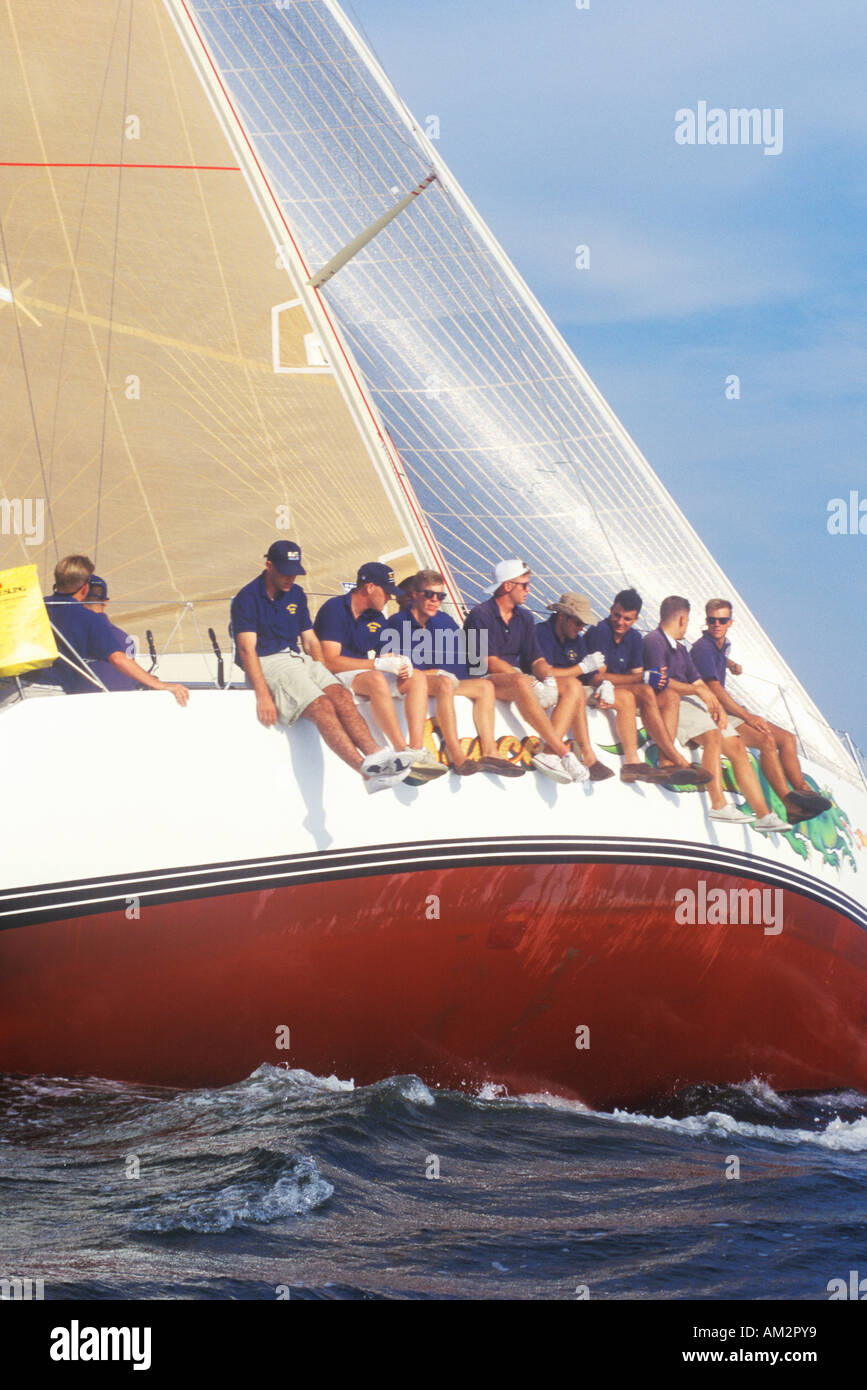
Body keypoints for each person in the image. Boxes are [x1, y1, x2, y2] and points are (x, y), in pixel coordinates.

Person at [231, 541, 412, 793]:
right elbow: (246, 649)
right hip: (267, 660)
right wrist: (263, 696)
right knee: (322, 707)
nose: (290, 577)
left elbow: (310, 640)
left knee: (339, 694)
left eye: (294, 571)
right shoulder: (247, 599)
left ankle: (376, 755)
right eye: (285, 571)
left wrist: (324, 675)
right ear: (269, 565)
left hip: (296, 657)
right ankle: (366, 773)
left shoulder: (295, 593)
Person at [643, 596, 789, 830]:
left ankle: (763, 815)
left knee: (737, 747)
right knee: (713, 737)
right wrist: (699, 692)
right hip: (674, 701)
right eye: (689, 620)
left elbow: (698, 680)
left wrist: (715, 703)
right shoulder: (654, 641)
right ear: (681, 618)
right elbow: (661, 682)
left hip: (690, 700)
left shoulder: (680, 649)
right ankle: (719, 805)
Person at [690, 599, 831, 823]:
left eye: (722, 620)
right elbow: (714, 687)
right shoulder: (703, 648)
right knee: (766, 740)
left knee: (787, 739)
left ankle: (802, 790)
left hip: (727, 707)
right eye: (712, 620)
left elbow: (717, 657)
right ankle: (789, 803)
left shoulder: (721, 644)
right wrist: (747, 716)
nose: (716, 624)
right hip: (714, 708)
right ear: (706, 621)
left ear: (730, 623)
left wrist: (730, 664)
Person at [378, 569, 525, 777]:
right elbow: (397, 668)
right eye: (429, 595)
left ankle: (491, 752)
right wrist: (436, 671)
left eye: (440, 596)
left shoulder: (445, 621)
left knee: (485, 687)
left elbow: (466, 660)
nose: (435, 600)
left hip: (443, 679)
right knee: (445, 683)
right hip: (415, 681)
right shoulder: (396, 623)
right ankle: (458, 757)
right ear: (414, 596)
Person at [314, 561, 445, 781]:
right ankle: (400, 749)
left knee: (417, 678)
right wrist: (376, 665)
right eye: (386, 592)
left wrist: (400, 665)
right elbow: (330, 661)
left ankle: (415, 749)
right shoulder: (334, 609)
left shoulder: (377, 618)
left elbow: (385, 655)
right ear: (370, 588)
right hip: (332, 677)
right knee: (376, 678)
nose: (390, 598)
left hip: (361, 673)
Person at [463, 559, 588, 784]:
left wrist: (547, 678)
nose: (529, 590)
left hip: (514, 678)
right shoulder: (479, 615)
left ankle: (549, 753)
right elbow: (486, 662)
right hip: (483, 678)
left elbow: (536, 658)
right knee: (521, 682)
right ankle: (563, 753)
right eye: (524, 585)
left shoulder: (525, 617)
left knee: (573, 685)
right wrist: (524, 678)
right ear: (508, 586)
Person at [581, 588, 711, 786]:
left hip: (619, 688)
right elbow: (599, 677)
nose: (620, 622)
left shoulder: (633, 638)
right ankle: (669, 759)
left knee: (670, 696)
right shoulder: (600, 631)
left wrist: (644, 677)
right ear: (610, 610)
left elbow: (635, 676)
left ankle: (666, 763)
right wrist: (642, 677)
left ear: (636, 619)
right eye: (616, 615)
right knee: (640, 692)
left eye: (627, 618)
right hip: (598, 687)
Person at [31, 555, 189, 704]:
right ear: (85, 589)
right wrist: (160, 685)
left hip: (12, 687)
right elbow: (118, 659)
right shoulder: (88, 618)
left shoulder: (32, 607)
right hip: (48, 694)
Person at [533, 593, 614, 781]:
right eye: (578, 623)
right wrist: (580, 668)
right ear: (562, 616)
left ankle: (588, 755)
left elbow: (590, 675)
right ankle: (552, 752)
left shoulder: (576, 640)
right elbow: (545, 673)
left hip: (567, 688)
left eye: (583, 625)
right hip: (538, 684)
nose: (581, 628)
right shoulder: (541, 632)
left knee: (578, 686)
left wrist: (603, 684)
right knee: (574, 685)